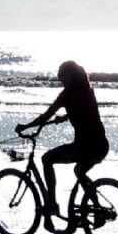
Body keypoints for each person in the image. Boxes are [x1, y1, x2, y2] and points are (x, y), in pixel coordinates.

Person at [15, 60, 109, 218]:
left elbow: (47, 115)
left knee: (47, 159)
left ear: (71, 75)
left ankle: (52, 204)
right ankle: (98, 209)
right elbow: (85, 112)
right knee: (79, 171)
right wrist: (66, 116)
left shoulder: (67, 94)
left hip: (84, 147)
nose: (60, 78)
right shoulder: (88, 90)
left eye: (62, 75)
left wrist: (26, 126)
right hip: (101, 146)